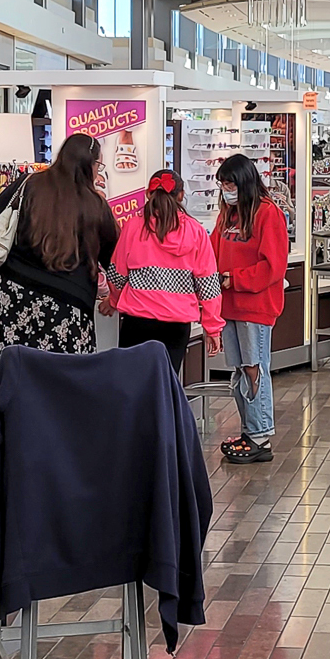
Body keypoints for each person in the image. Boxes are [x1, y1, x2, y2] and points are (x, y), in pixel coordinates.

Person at [0, 134, 120, 374]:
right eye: (98, 166)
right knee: (62, 387)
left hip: (13, 299)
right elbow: (114, 258)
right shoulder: (95, 205)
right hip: (69, 307)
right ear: (90, 165)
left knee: (11, 379)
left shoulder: (27, 185)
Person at [107, 170, 223, 373]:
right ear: (180, 195)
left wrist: (113, 302)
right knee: (164, 387)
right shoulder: (196, 231)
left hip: (137, 322)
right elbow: (209, 285)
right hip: (176, 325)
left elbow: (117, 276)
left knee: (131, 386)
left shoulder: (133, 227)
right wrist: (212, 328)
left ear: (147, 194)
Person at [213, 154, 288, 463]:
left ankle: (260, 435)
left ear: (243, 183)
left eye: (230, 184)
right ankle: (249, 431)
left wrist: (235, 279)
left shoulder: (268, 214)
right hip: (229, 306)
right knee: (240, 371)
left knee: (255, 369)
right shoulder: (227, 215)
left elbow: (273, 266)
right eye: (221, 184)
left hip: (255, 306)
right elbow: (213, 248)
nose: (225, 190)